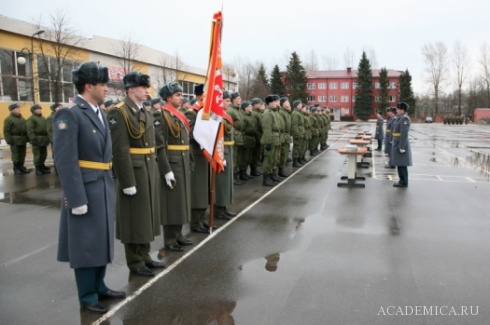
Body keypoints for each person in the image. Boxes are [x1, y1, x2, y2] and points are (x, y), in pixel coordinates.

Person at [54, 61, 125, 314]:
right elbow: (64, 159)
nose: (107, 88)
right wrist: (75, 198)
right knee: (86, 242)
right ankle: (87, 295)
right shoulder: (70, 114)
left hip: (103, 183)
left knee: (102, 238)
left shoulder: (99, 112)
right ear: (88, 86)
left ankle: (100, 285)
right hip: (84, 187)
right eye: (102, 84)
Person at [107, 72, 164, 277]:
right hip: (134, 170)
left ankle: (145, 255)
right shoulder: (119, 112)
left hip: (148, 168)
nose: (146, 90)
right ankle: (134, 260)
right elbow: (120, 150)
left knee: (146, 215)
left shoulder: (145, 111)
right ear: (131, 89)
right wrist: (126, 181)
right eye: (142, 87)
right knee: (133, 217)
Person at [156, 82, 193, 251]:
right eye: (177, 95)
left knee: (181, 201)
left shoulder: (178, 115)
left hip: (183, 161)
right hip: (172, 163)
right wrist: (166, 170)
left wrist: (190, 160)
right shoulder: (161, 115)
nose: (181, 97)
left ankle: (178, 235)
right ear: (168, 98)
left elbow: (186, 142)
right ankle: (170, 239)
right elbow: (160, 146)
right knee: (172, 203)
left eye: (180, 95)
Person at [185, 84, 211, 234]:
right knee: (198, 190)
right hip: (197, 154)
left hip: (206, 154)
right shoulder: (192, 113)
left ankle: (202, 219)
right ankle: (195, 222)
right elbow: (192, 135)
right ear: (201, 96)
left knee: (204, 190)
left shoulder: (204, 112)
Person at [214, 91, 238, 220]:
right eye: (227, 101)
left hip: (228, 149)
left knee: (227, 182)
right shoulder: (216, 116)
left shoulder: (225, 115)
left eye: (229, 101)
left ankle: (224, 207)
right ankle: (218, 209)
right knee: (221, 183)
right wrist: (220, 155)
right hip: (222, 151)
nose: (229, 103)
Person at [260, 94, 281, 187]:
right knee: (268, 159)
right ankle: (266, 179)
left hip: (275, 139)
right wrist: (267, 141)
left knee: (273, 159)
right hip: (271, 139)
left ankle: (271, 175)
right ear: (270, 103)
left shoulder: (273, 112)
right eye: (275, 101)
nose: (277, 103)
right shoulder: (268, 113)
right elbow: (267, 129)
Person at [390, 102, 412, 187]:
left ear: (403, 110)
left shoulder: (404, 119)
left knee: (401, 164)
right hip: (397, 142)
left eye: (399, 109)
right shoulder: (401, 118)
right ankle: (403, 180)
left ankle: (403, 181)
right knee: (400, 163)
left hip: (401, 143)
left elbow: (404, 133)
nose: (397, 110)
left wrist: (402, 146)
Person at [3, 103, 29, 174]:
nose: (19, 110)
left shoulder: (22, 118)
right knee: (16, 154)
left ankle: (21, 166)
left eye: (19, 108)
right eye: (17, 109)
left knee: (22, 154)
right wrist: (9, 140)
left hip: (22, 138)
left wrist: (27, 138)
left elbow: (26, 128)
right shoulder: (9, 119)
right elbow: (6, 131)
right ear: (12, 110)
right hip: (15, 139)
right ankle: (16, 167)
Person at [26, 104, 50, 175]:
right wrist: (33, 139)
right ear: (33, 111)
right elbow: (30, 130)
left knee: (43, 154)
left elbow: (46, 129)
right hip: (37, 138)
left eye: (40, 109)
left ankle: (42, 166)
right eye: (37, 109)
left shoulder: (42, 118)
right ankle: (38, 168)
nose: (39, 110)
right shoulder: (31, 119)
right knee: (37, 155)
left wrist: (47, 138)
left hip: (43, 138)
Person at [226, 92, 244, 185]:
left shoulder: (238, 110)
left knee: (238, 157)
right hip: (234, 135)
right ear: (234, 100)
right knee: (234, 157)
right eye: (238, 98)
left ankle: (237, 175)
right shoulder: (230, 111)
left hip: (239, 136)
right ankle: (233, 176)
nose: (240, 99)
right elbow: (229, 125)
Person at [238, 101, 256, 180]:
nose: (251, 107)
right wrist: (252, 130)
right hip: (246, 138)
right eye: (249, 106)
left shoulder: (250, 115)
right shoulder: (243, 116)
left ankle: (245, 172)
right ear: (245, 108)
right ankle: (242, 173)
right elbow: (244, 128)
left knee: (248, 157)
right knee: (244, 158)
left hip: (250, 139)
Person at [278, 97, 292, 177]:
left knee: (285, 154)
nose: (289, 103)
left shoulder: (287, 112)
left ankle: (282, 170)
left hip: (286, 135)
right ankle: (280, 170)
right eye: (287, 102)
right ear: (282, 103)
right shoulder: (281, 112)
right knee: (282, 154)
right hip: (283, 135)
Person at [250, 98, 264, 176]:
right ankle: (253, 170)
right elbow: (255, 127)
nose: (260, 105)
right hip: (256, 136)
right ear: (254, 104)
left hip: (259, 135)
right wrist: (258, 135)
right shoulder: (254, 114)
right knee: (254, 154)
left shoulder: (259, 113)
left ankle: (254, 169)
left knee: (257, 154)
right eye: (259, 103)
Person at [291, 100, 305, 167]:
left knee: (299, 147)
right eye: (300, 104)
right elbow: (295, 125)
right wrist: (297, 134)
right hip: (298, 134)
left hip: (301, 133)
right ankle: (295, 162)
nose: (301, 105)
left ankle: (299, 160)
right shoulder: (295, 113)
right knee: (296, 148)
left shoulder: (299, 113)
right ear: (296, 106)